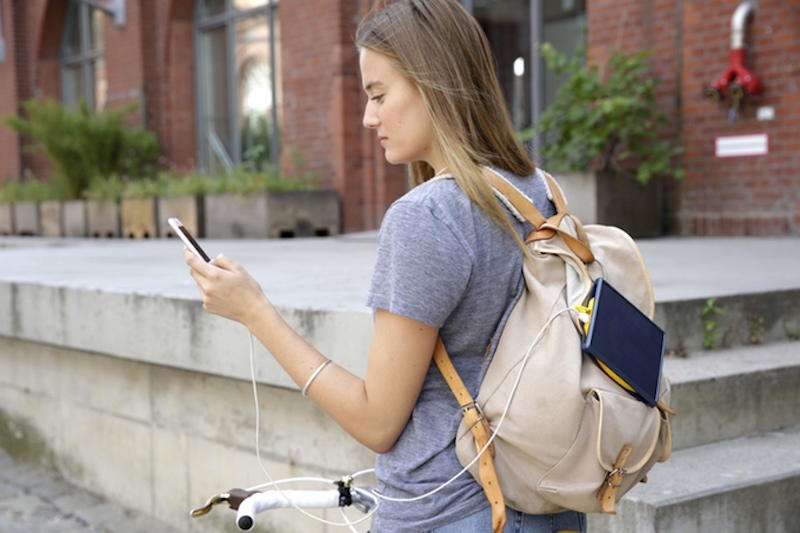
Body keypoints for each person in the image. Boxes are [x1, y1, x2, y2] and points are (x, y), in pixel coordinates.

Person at [184, 1, 586, 531]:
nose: (369, 116)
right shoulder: (539, 188)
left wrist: (255, 312)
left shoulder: (425, 217)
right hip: (546, 502)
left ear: (434, 85)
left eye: (378, 95)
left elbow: (378, 422)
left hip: (448, 512)